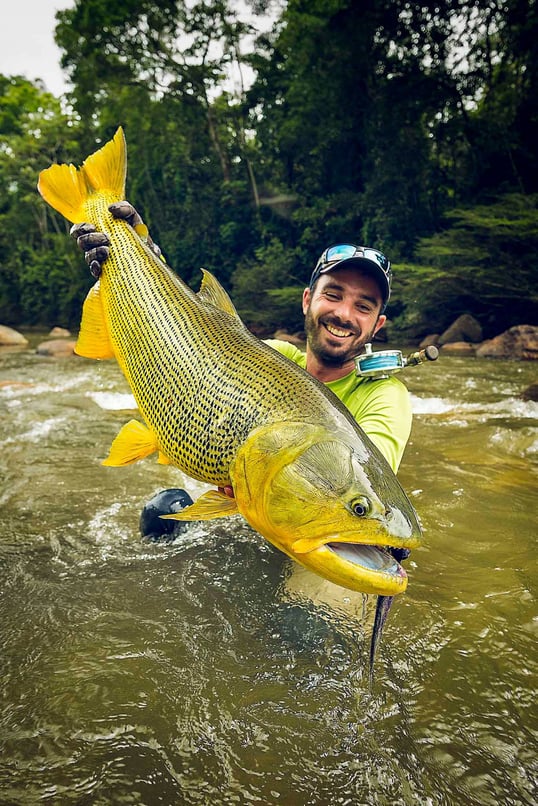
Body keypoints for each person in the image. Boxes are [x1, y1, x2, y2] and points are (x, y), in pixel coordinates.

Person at [72, 206, 412, 544]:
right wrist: (139, 255)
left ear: (378, 324)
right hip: (244, 523)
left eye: (363, 306)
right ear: (307, 300)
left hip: (314, 529)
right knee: (161, 511)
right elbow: (184, 349)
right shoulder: (273, 356)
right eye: (332, 295)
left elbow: (359, 486)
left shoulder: (385, 395)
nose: (343, 313)